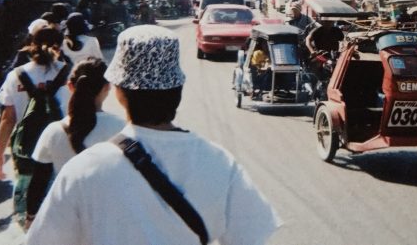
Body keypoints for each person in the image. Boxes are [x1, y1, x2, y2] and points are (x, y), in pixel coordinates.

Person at [26, 25, 280, 245]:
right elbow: (252, 235)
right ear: (178, 88)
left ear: (119, 92)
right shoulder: (220, 163)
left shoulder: (82, 170)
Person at [25, 58, 125, 229]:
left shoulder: (53, 131)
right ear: (107, 87)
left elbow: (38, 181)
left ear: (70, 86)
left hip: (68, 218)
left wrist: (31, 216)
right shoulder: (120, 127)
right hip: (111, 215)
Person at [0, 26, 72, 228]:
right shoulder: (69, 74)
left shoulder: (16, 76)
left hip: (26, 151)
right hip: (61, 149)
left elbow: (7, 119)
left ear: (31, 45)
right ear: (59, 46)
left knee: (28, 212)